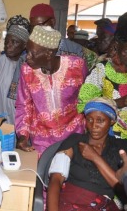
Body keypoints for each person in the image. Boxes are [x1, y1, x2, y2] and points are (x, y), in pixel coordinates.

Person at [37, 97, 127, 211]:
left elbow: (123, 188)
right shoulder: (74, 141)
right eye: (90, 120)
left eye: (100, 120)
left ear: (111, 121)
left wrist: (94, 157)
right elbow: (56, 179)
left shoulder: (121, 147)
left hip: (103, 210)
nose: (94, 125)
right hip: (68, 203)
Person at [78, 11, 127, 147]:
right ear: (117, 46)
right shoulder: (102, 69)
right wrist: (117, 102)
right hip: (109, 139)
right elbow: (84, 105)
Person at [15, 26, 87, 155]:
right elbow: (23, 105)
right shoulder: (26, 70)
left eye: (33, 53)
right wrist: (23, 136)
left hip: (73, 137)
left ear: (48, 54)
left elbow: (87, 97)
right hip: (41, 141)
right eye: (27, 51)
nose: (27, 57)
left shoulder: (77, 66)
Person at [29, 3, 98, 71]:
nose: (36, 30)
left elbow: (94, 64)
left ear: (53, 22)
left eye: (40, 25)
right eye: (33, 26)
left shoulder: (74, 50)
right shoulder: (30, 50)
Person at [0, 15, 29, 125]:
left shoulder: (28, 66)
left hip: (22, 125)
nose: (8, 45)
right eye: (7, 41)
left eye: (14, 42)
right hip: (0, 122)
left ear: (24, 45)